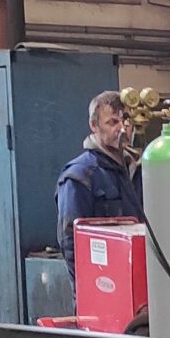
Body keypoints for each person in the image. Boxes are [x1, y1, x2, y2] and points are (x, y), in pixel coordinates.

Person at [54, 92, 143, 253]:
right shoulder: (79, 176)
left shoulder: (137, 170)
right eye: (113, 122)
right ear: (94, 125)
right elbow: (70, 242)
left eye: (126, 121)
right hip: (101, 267)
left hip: (136, 263)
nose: (122, 129)